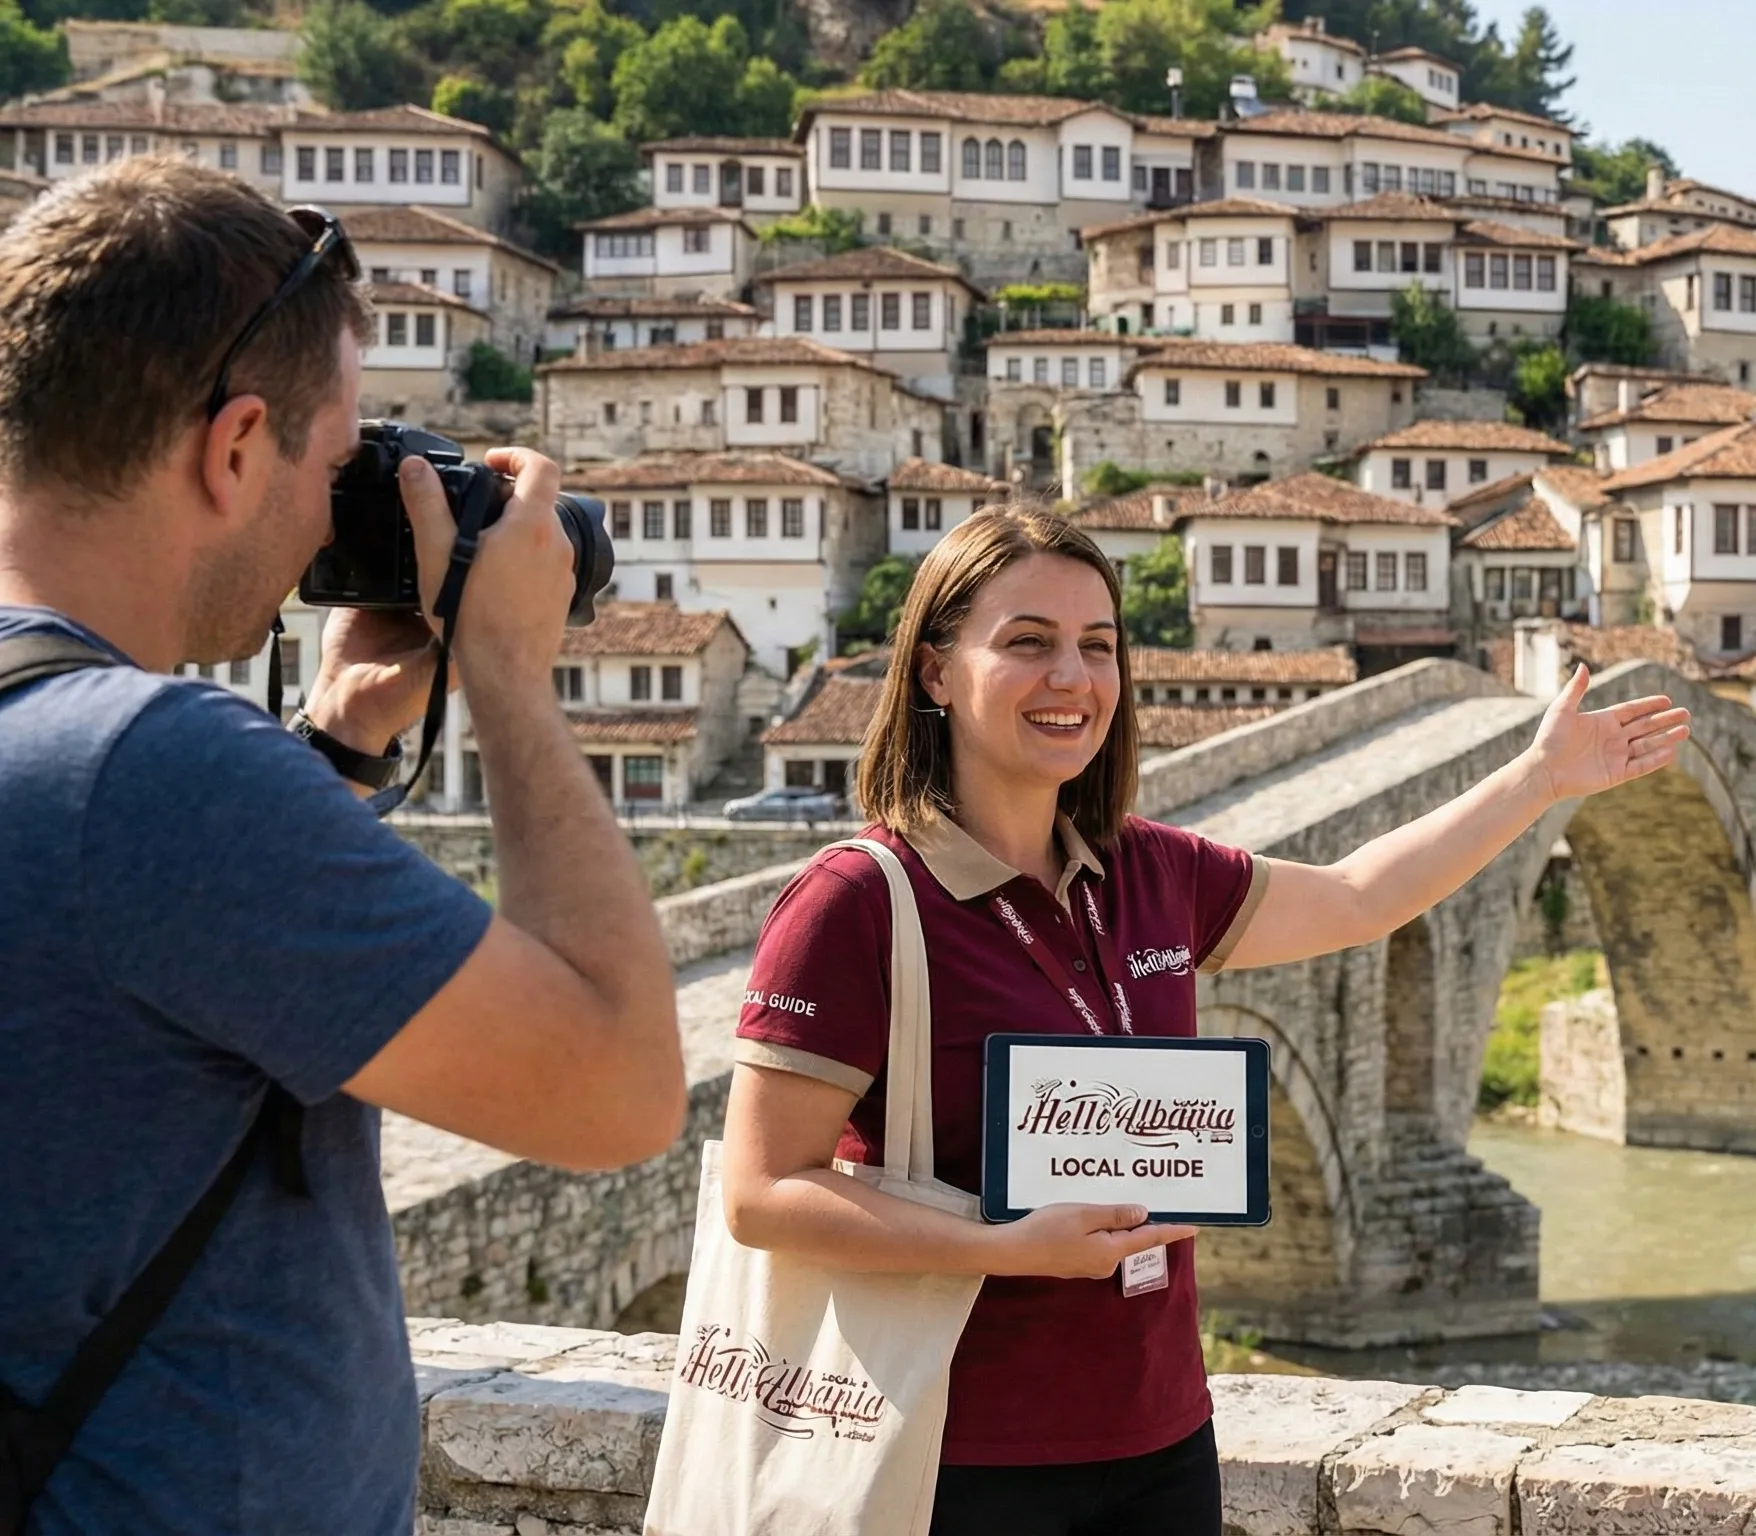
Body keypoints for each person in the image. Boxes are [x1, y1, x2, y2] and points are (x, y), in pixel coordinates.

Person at [722, 505, 1689, 1536]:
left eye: (1099, 647)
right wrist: (1012, 1244)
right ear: (932, 670)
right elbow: (762, 1193)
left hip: (1161, 1443)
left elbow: (1360, 898)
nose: (1073, 678)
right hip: (948, 1452)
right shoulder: (855, 904)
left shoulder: (1149, 872)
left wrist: (1535, 778)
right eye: (1026, 643)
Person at [0, 159, 684, 1533]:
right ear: (236, 444)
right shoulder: (154, 770)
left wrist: (328, 755)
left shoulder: (83, 757)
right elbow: (617, 1089)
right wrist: (506, 673)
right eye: (336, 463)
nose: (334, 516)